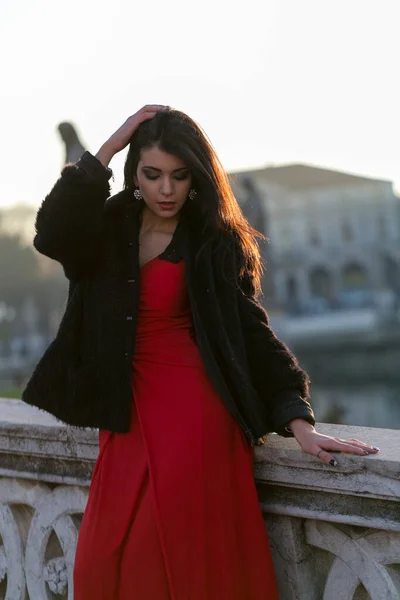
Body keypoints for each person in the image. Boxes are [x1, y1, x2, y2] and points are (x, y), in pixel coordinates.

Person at [22, 105, 380, 599]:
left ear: (196, 177)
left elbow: (251, 332)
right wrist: (108, 146)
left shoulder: (212, 239)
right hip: (124, 410)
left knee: (183, 564)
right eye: (152, 174)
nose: (166, 189)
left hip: (197, 414)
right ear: (134, 172)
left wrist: (300, 421)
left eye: (179, 176)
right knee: (103, 562)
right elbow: (52, 234)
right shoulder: (104, 227)